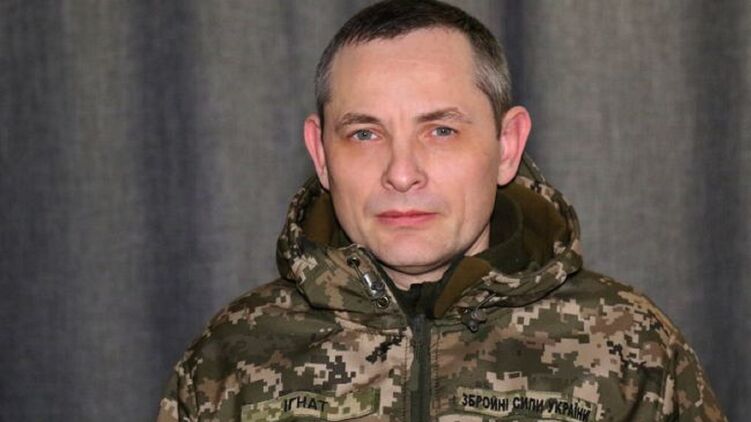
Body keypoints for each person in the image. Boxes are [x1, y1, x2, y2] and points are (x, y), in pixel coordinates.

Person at [157, 1, 726, 421]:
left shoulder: (629, 346)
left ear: (507, 145)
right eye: (364, 134)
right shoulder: (231, 354)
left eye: (442, 130)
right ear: (321, 154)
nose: (402, 172)